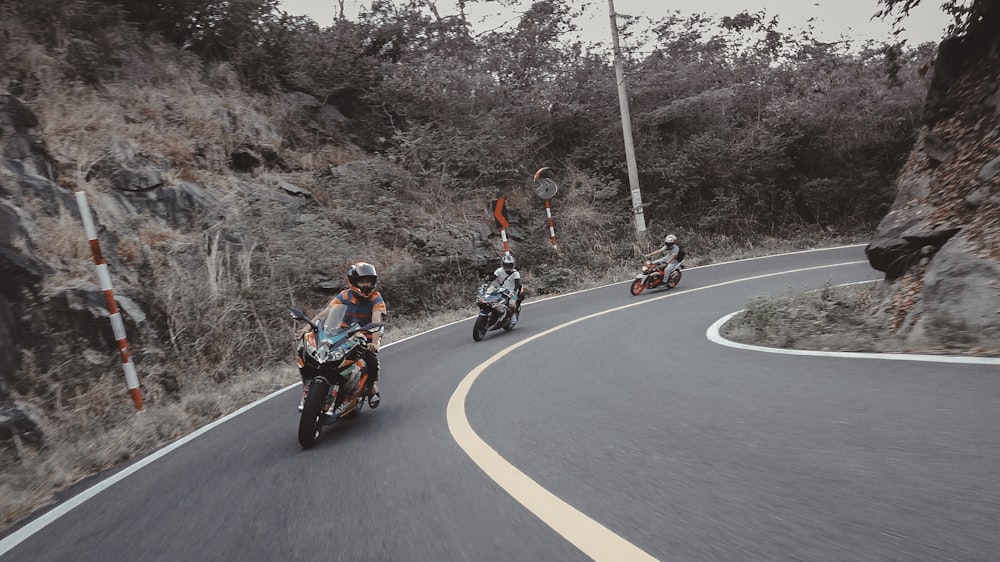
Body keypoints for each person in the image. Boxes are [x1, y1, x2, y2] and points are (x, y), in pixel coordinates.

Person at [297, 262, 386, 411]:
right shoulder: (344, 295)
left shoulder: (376, 298)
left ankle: (371, 387)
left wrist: (374, 343)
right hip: (341, 333)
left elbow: (376, 321)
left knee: (370, 359)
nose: (366, 284)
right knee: (310, 350)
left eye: (368, 281)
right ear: (353, 281)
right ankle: (312, 385)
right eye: (362, 281)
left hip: (365, 334)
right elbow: (326, 313)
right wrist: (307, 328)